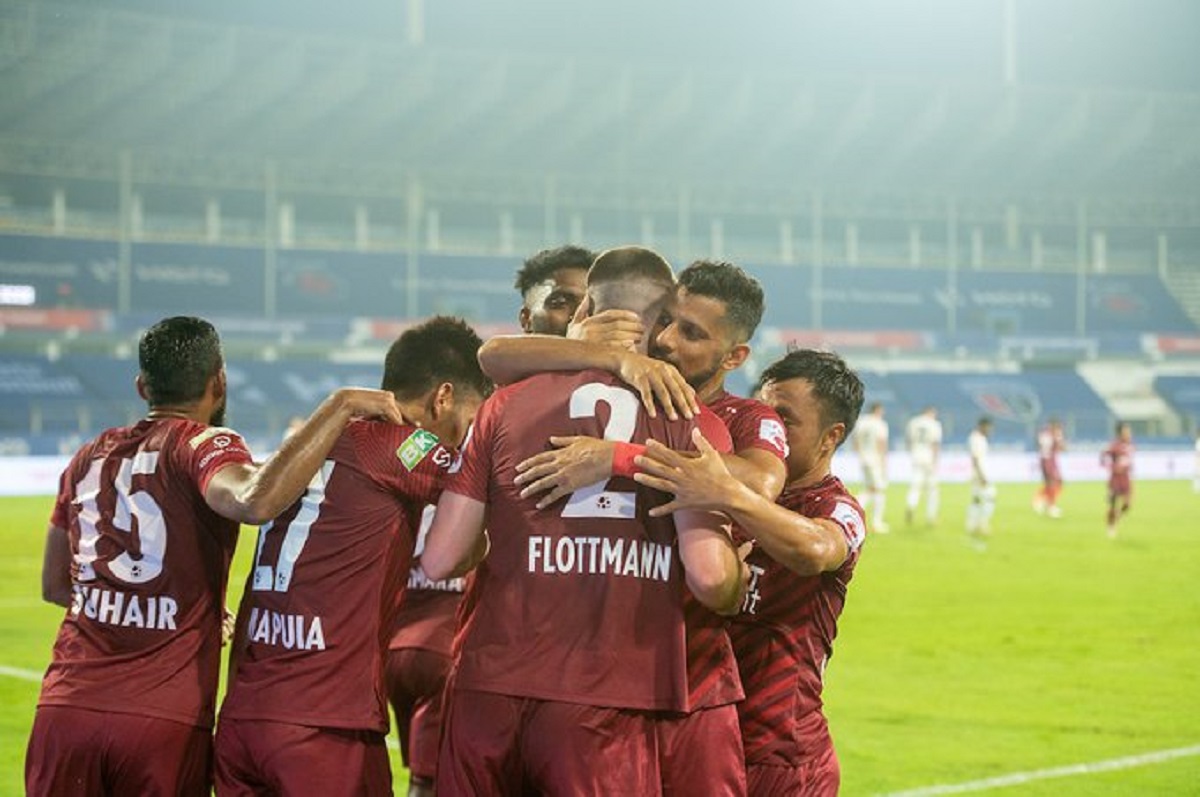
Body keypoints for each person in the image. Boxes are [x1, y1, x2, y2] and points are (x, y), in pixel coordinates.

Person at [28, 315, 404, 797]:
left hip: (65, 709)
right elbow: (252, 500)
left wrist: (138, 607)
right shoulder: (204, 443)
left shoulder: (86, 457)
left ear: (142, 386)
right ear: (219, 382)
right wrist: (340, 405)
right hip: (162, 717)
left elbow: (55, 585)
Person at [421, 246, 747, 795]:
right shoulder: (691, 419)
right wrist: (737, 575)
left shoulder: (503, 404)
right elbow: (712, 580)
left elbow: (441, 559)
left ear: (588, 308)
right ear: (663, 320)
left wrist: (514, 543)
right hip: (607, 697)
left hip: (488, 686)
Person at [214, 317, 490, 797]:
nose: (461, 438)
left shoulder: (313, 441)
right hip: (323, 726)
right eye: (467, 422)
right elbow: (478, 515)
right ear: (442, 398)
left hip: (245, 718)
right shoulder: (410, 444)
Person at [386, 250, 591, 797]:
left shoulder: (630, 407)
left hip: (589, 671)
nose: (574, 316)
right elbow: (405, 464)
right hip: (490, 658)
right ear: (527, 320)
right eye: (561, 301)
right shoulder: (489, 411)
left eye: (586, 303)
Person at [632, 348, 868, 796]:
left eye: (785, 417)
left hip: (779, 752)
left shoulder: (834, 507)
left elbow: (816, 550)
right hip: (697, 735)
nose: (770, 427)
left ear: (830, 436)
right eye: (765, 411)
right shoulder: (717, 489)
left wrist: (727, 495)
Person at [514, 244, 594, 334]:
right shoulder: (500, 347)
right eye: (560, 303)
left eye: (592, 306)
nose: (583, 316)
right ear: (526, 319)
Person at [853, 402, 890, 533]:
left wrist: (860, 454)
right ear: (878, 410)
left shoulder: (861, 422)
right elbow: (881, 444)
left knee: (870, 489)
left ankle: (854, 512)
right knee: (879, 490)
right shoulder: (879, 423)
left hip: (863, 459)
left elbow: (855, 441)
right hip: (875, 460)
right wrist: (884, 462)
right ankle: (876, 523)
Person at [905, 406, 943, 526]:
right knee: (932, 490)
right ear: (930, 412)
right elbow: (935, 444)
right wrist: (935, 461)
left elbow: (909, 440)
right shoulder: (934, 424)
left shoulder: (913, 422)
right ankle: (931, 517)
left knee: (915, 486)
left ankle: (911, 505)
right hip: (928, 457)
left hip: (916, 456)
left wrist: (912, 452)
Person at [1101, 421, 1135, 539]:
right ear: (1120, 433)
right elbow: (1103, 456)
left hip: (1126, 478)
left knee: (1127, 504)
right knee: (1113, 505)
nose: (1129, 433)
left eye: (1129, 431)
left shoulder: (1130, 445)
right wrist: (1110, 467)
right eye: (1126, 431)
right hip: (1115, 478)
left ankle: (1115, 520)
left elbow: (1129, 460)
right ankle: (1111, 527)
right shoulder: (1114, 445)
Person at [966, 416, 995, 544]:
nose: (990, 430)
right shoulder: (977, 439)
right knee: (991, 498)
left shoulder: (977, 438)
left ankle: (972, 525)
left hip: (977, 473)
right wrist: (982, 475)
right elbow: (976, 459)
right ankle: (983, 524)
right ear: (983, 426)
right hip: (980, 474)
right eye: (989, 427)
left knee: (976, 500)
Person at [1033, 418, 1065, 518]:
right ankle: (1049, 505)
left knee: (1054, 483)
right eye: (1056, 426)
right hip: (1047, 461)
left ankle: (1042, 501)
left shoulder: (1046, 434)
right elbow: (1059, 447)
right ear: (1052, 425)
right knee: (1054, 482)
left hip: (1049, 460)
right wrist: (1058, 440)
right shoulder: (1049, 434)